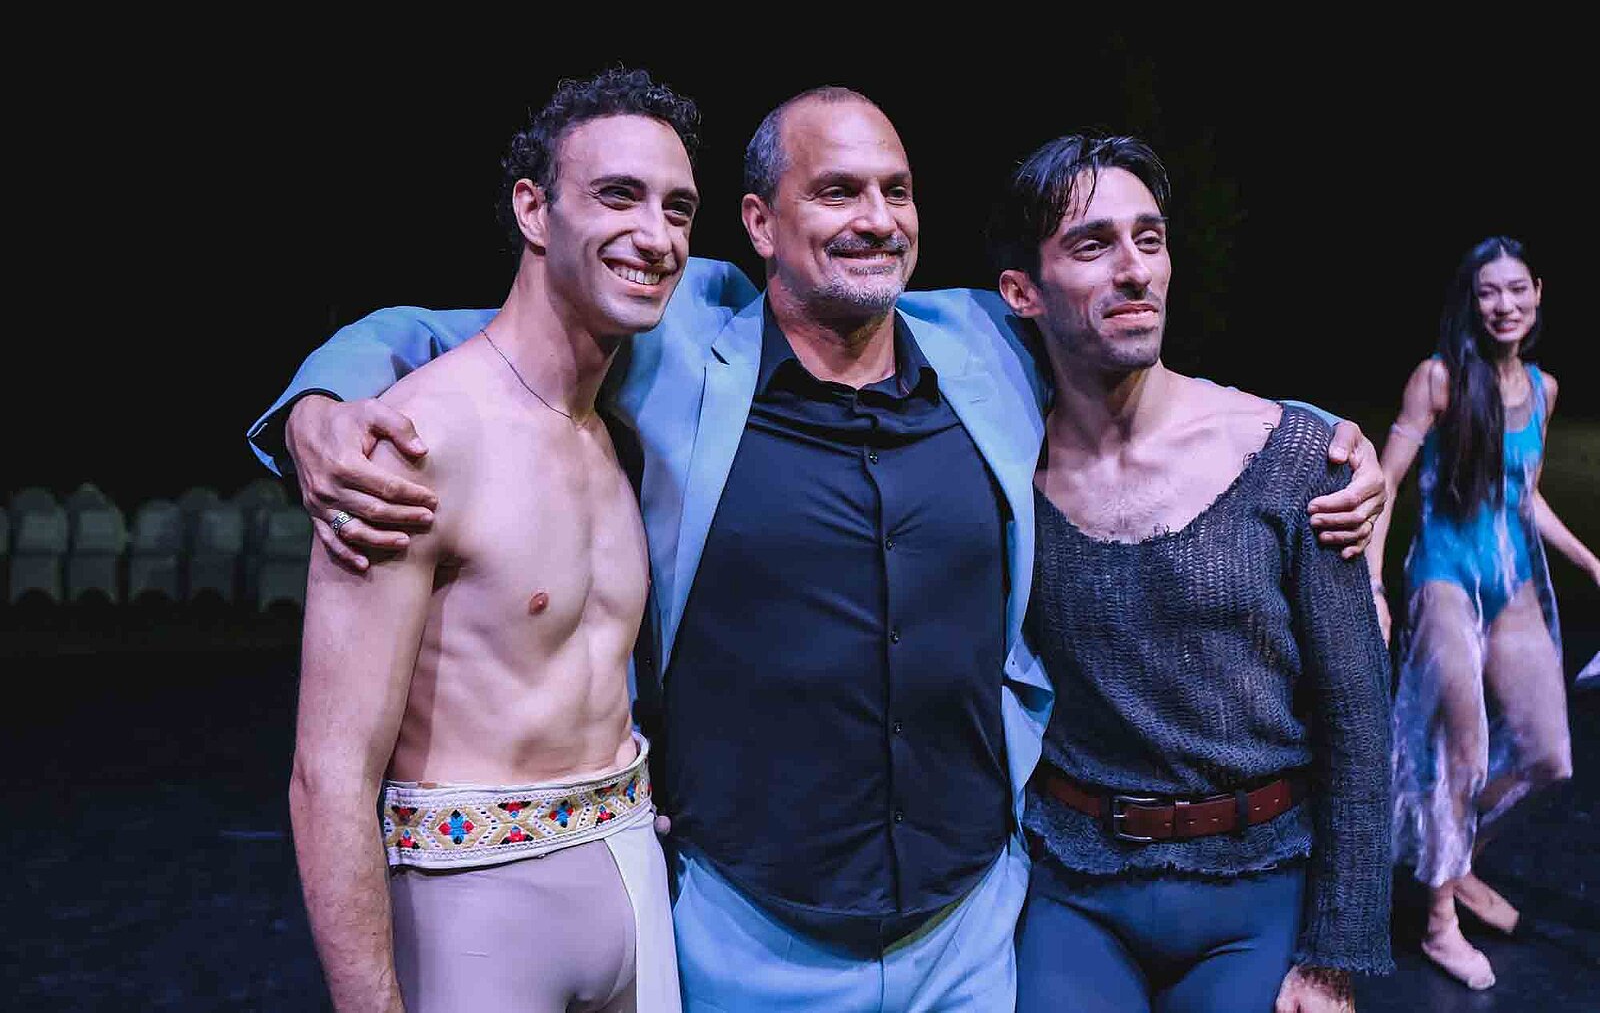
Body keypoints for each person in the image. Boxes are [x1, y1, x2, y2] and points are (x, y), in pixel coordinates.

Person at [253, 87, 1388, 1011]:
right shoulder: (683, 345)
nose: (876, 217)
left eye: (896, 189)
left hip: (969, 926)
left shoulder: (984, 344)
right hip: (744, 930)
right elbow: (469, 334)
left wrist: (1322, 441)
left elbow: (1125, 345)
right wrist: (320, 402)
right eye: (838, 189)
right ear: (759, 225)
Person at [287, 69, 697, 1012]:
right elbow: (327, 776)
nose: (657, 234)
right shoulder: (413, 441)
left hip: (632, 876)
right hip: (473, 911)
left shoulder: (620, 429)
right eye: (618, 195)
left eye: (678, 208)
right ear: (533, 209)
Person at [989, 135, 1392, 1013]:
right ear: (1022, 292)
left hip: (1259, 888)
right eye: (1092, 245)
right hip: (1077, 886)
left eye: (1151, 238)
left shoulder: (1295, 458)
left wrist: (1335, 956)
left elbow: (1359, 717)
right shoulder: (1002, 470)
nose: (1135, 269)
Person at [1367, 235, 1597, 990]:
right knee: (1458, 754)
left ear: (1538, 295)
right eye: (1490, 291)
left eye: (1518, 290)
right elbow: (1386, 482)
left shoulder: (1543, 389)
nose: (1505, 305)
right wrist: (1373, 585)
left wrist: (1592, 561)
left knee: (1548, 754)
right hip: (1443, 580)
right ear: (1472, 301)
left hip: (1513, 581)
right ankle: (1439, 923)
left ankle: (1456, 856)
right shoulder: (1438, 380)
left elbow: (1524, 495)